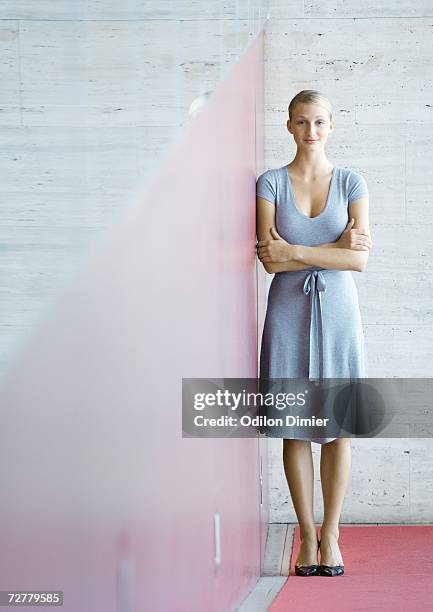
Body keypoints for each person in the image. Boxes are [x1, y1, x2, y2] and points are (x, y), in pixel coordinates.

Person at [256, 90, 373, 577]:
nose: (311, 132)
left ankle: (333, 536)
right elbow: (268, 259)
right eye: (302, 122)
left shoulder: (351, 182)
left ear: (332, 125)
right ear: (288, 126)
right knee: (294, 428)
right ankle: (306, 536)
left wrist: (297, 253)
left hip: (341, 313)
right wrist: (332, 248)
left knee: (338, 429)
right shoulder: (269, 184)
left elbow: (359, 260)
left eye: (319, 122)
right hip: (287, 313)